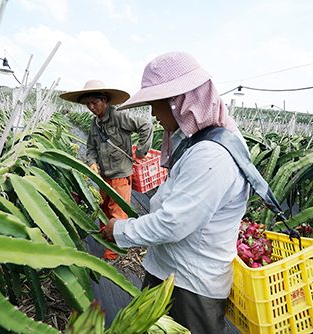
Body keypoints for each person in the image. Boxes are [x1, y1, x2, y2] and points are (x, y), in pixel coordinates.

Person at [101, 52, 250, 333]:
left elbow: (174, 223)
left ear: (177, 102)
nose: (154, 115)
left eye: (156, 105)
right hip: (173, 272)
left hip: (189, 285)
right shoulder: (203, 141)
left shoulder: (211, 154)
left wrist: (119, 231)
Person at [60, 80, 153, 260]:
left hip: (121, 174)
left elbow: (146, 126)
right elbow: (91, 147)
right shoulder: (95, 123)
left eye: (94, 102)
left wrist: (141, 152)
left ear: (105, 100)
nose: (91, 107)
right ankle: (105, 236)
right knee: (102, 208)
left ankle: (113, 253)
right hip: (103, 175)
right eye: (88, 104)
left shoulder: (119, 116)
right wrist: (92, 162)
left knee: (118, 213)